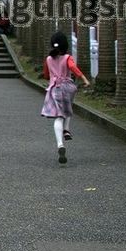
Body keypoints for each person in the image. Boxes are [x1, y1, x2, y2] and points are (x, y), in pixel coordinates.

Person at [40, 31, 90, 164]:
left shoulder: (49, 59)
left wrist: (51, 76)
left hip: (55, 89)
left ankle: (60, 144)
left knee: (58, 117)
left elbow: (46, 75)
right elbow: (73, 68)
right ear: (65, 44)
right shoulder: (67, 57)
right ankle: (67, 130)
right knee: (68, 108)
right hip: (68, 88)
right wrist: (84, 79)